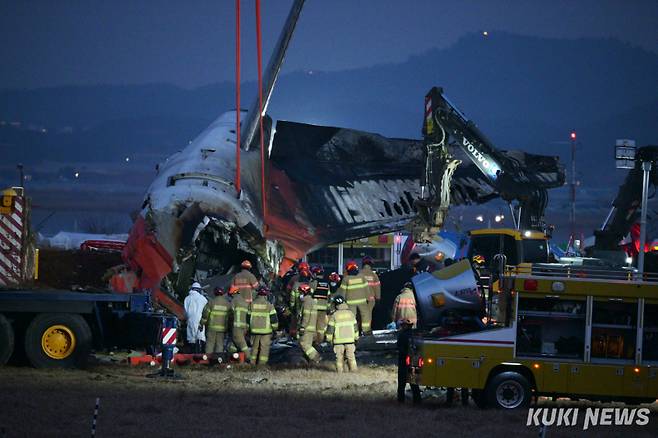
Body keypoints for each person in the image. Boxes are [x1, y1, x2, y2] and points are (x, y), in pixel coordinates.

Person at [326, 295, 358, 373]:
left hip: (338, 341)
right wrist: (356, 337)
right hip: (350, 340)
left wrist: (328, 339)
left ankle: (340, 374)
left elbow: (330, 329)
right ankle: (354, 373)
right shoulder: (351, 314)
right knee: (351, 358)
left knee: (339, 359)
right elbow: (355, 327)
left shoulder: (334, 315)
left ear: (336, 304)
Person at [338, 260, 371, 335]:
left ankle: (353, 331)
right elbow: (367, 289)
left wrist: (341, 302)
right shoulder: (362, 277)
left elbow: (342, 292)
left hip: (350, 302)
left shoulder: (346, 279)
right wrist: (368, 298)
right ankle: (366, 331)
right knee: (365, 315)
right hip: (362, 301)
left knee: (352, 317)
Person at [248, 286, 279, 365]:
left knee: (254, 349)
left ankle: (251, 365)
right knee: (264, 350)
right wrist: (275, 329)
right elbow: (274, 320)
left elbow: (247, 318)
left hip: (254, 331)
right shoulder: (269, 305)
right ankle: (261, 366)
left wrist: (248, 329)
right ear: (266, 295)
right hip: (266, 332)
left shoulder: (251, 305)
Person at [397, 319, 421, 403]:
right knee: (414, 382)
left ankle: (400, 401)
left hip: (403, 361)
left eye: (403, 325)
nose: (402, 326)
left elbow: (399, 347)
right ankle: (417, 401)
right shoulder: (415, 335)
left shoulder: (402, 335)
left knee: (401, 384)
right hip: (413, 362)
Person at [201, 286, 229, 354]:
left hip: (211, 328)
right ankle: (218, 360)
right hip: (222, 329)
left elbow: (205, 315)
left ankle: (207, 360)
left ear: (214, 293)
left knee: (209, 345)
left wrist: (202, 323)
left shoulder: (211, 302)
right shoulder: (227, 304)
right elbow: (230, 317)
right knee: (219, 345)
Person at [298, 283, 321, 363]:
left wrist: (302, 327)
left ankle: (317, 358)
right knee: (308, 345)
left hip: (307, 328)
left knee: (304, 344)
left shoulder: (306, 302)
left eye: (300, 292)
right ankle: (310, 363)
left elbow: (306, 316)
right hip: (312, 327)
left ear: (304, 292)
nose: (299, 294)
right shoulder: (312, 301)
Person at [184, 282, 208, 353]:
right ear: (199, 290)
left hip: (190, 319)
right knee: (200, 337)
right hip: (200, 320)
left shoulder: (187, 298)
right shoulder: (203, 298)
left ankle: (192, 354)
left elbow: (185, 311)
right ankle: (199, 354)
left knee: (191, 338)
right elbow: (206, 310)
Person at [228, 282, 251, 359]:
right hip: (244, 327)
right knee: (233, 344)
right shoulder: (245, 301)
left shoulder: (234, 300)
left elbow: (230, 313)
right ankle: (230, 357)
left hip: (237, 326)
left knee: (241, 343)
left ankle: (249, 359)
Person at [361, 256, 381, 332]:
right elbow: (377, 289)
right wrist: (378, 299)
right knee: (368, 315)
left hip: (360, 299)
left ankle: (359, 330)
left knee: (360, 315)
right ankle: (366, 330)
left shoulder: (359, 274)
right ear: (371, 264)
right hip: (370, 300)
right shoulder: (374, 275)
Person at [311, 265, 330, 344]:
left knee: (313, 326)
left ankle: (314, 342)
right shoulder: (326, 284)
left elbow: (309, 294)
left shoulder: (314, 282)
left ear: (315, 274)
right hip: (324, 308)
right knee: (321, 327)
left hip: (315, 308)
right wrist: (328, 308)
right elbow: (328, 296)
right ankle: (320, 342)